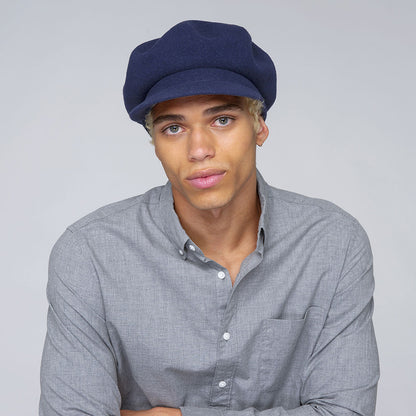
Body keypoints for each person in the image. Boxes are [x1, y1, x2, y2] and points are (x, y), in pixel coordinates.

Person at [39, 20, 379, 416]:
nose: (199, 149)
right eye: (173, 127)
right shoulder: (89, 255)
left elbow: (346, 412)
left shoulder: (333, 243)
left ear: (259, 127)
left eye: (222, 120)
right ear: (155, 143)